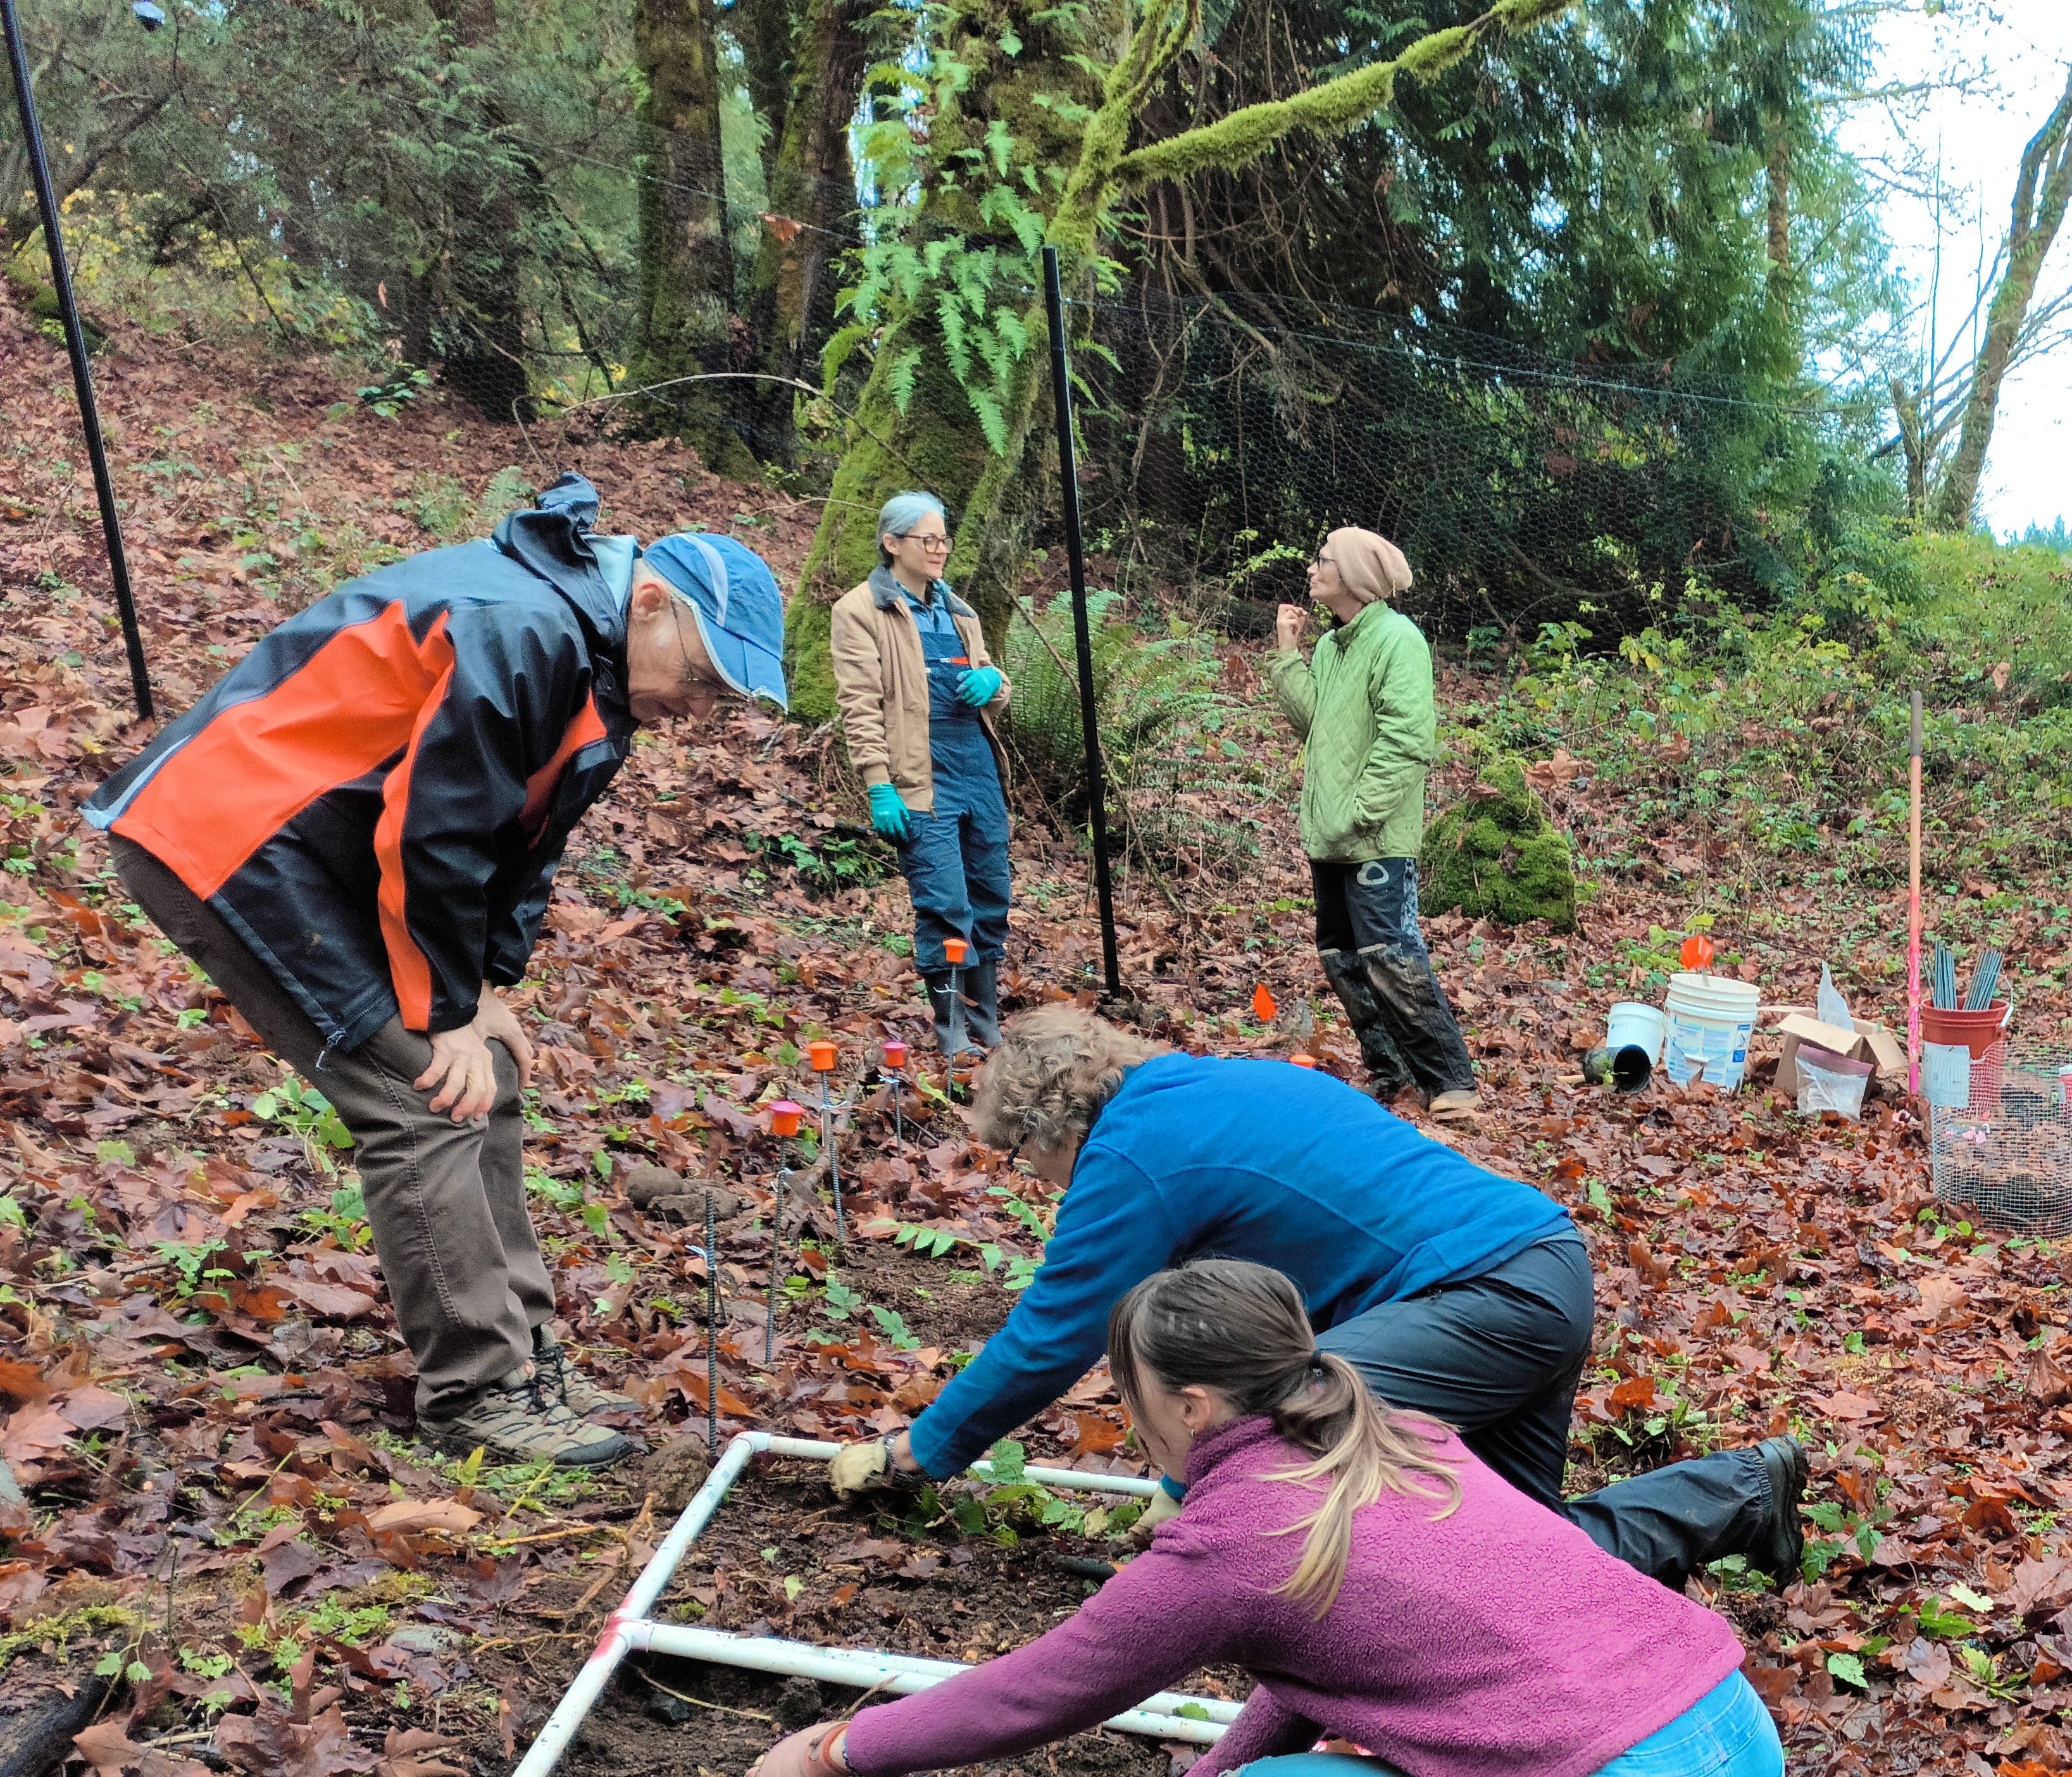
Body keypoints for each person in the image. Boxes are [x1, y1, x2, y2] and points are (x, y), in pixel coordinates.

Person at [740, 1261, 1861, 1777]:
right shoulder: (1399, 1433)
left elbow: (1037, 1692)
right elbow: (1320, 1670)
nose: (1127, 1415)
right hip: (1739, 1751)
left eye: (1128, 1394)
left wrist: (840, 1748)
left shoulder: (1231, 1538)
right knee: (1535, 1738)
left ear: (1186, 1404)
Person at [84, 478, 788, 1466]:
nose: (700, 709)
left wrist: (486, 990)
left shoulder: (601, 668)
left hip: (329, 854)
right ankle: (477, 1391)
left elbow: (523, 845)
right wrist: (442, 1010)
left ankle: (527, 1354)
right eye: (705, 679)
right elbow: (437, 835)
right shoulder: (528, 630)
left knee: (482, 1079)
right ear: (653, 603)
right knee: (423, 1094)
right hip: (230, 837)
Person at [826, 1007, 1807, 1588]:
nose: (1032, 1178)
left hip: (1485, 1291)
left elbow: (1055, 1333)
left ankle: (1206, 1588)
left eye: (1020, 1157)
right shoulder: (1206, 1086)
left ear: (1051, 1126)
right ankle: (1739, 1496)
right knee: (1518, 1569)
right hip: (1538, 1265)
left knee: (1286, 1414)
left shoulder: (1130, 1154)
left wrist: (925, 1448)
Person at [1268, 528, 1482, 1123]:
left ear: (1356, 575)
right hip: (1331, 838)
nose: (1312, 568)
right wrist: (1288, 652)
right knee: (1344, 960)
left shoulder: (1397, 639)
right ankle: (1394, 1077)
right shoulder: (1336, 646)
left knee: (1392, 957)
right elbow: (1315, 724)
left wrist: (1360, 811)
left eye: (1323, 561)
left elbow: (1409, 741)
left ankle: (1450, 1081)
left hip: (1373, 838)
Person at [830, 492, 1013, 1058]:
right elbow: (859, 704)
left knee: (991, 895)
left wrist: (996, 682)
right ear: (892, 543)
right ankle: (950, 1026)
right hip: (919, 776)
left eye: (944, 541)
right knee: (945, 902)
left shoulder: (960, 613)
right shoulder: (859, 611)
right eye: (928, 540)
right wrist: (878, 784)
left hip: (977, 770)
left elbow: (990, 687)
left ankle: (986, 1022)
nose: (939, 551)